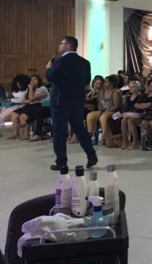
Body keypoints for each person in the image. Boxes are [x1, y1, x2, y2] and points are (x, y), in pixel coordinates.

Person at [46, 36, 98, 171]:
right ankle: (91, 155)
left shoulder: (60, 61)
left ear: (68, 45)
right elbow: (87, 80)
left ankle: (61, 162)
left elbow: (50, 77)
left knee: (59, 131)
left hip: (60, 101)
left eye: (61, 44)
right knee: (80, 129)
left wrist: (48, 68)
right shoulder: (85, 63)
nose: (59, 47)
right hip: (76, 100)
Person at [9, 75, 50, 140]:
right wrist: (30, 99)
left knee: (23, 115)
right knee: (14, 114)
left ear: (39, 81)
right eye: (31, 80)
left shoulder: (42, 88)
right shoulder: (29, 89)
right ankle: (16, 133)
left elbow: (31, 99)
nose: (32, 81)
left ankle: (26, 134)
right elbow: (24, 100)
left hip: (40, 106)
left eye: (34, 80)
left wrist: (30, 90)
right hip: (30, 105)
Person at [85, 75, 122, 144]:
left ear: (112, 83)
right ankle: (91, 135)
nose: (105, 83)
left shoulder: (115, 92)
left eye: (107, 82)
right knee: (90, 115)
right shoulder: (103, 92)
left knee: (103, 117)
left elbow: (117, 106)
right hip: (104, 111)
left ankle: (104, 137)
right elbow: (99, 103)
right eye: (105, 82)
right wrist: (101, 110)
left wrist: (107, 111)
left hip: (115, 112)